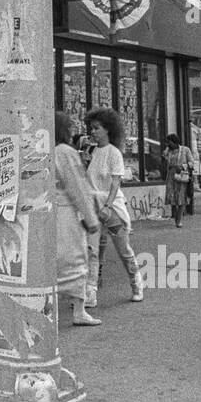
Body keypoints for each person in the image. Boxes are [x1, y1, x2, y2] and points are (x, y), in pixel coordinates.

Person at [84, 108, 144, 304]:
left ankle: (136, 283)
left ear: (108, 130)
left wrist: (107, 206)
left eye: (96, 128)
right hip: (93, 206)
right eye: (91, 128)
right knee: (92, 251)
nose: (92, 132)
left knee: (123, 250)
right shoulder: (90, 151)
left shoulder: (114, 153)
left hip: (111, 208)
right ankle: (91, 292)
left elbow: (116, 182)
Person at [53, 112, 101, 325]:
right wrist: (91, 219)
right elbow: (77, 187)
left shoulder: (42, 150)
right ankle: (79, 310)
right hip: (66, 212)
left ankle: (50, 309)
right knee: (76, 258)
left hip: (47, 212)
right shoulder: (65, 152)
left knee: (53, 261)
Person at [163, 133, 197, 228]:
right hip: (171, 175)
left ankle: (179, 220)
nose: (168, 144)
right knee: (172, 197)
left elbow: (192, 162)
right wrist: (166, 150)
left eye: (169, 142)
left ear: (175, 142)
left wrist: (182, 166)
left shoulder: (185, 150)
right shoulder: (169, 151)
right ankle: (176, 218)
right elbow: (163, 158)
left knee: (181, 198)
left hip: (181, 174)